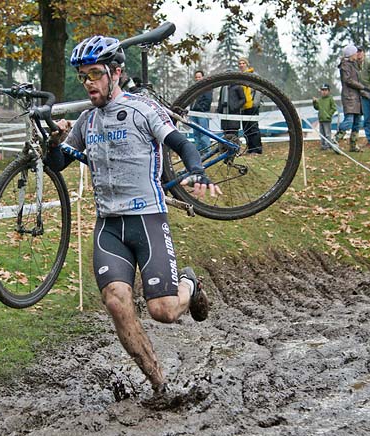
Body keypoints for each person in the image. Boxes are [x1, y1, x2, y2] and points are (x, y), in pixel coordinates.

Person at [46, 34, 220, 394]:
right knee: (116, 302)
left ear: (116, 73)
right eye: (84, 76)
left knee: (164, 311)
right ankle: (160, 385)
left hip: (147, 219)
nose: (89, 83)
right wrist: (54, 141)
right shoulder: (86, 121)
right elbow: (58, 163)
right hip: (109, 226)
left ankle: (191, 284)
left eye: (95, 74)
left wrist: (198, 170)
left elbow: (181, 143)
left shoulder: (142, 109)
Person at [334, 44, 370, 152]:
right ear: (350, 54)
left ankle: (353, 145)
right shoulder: (345, 65)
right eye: (355, 52)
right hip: (349, 97)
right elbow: (348, 80)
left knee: (357, 122)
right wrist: (362, 87)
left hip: (357, 97)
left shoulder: (354, 65)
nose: (357, 54)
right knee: (349, 121)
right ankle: (335, 139)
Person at [237, 58, 263, 154]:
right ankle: (250, 148)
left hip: (252, 105)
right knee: (246, 128)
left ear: (247, 64)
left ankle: (257, 148)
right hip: (243, 106)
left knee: (253, 127)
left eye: (243, 63)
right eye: (240, 63)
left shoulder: (253, 75)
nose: (241, 65)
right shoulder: (239, 77)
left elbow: (259, 90)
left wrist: (255, 102)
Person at [189, 70, 212, 149]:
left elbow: (208, 100)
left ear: (203, 77)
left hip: (202, 113)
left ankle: (207, 150)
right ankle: (199, 150)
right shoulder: (194, 88)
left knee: (204, 133)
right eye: (196, 77)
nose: (197, 79)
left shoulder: (207, 87)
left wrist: (201, 108)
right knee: (196, 133)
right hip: (193, 113)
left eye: (199, 77)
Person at [312, 84, 337, 150]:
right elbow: (317, 108)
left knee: (327, 133)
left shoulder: (330, 99)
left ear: (328, 91)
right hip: (321, 119)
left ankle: (328, 145)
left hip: (327, 119)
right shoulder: (320, 100)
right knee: (322, 133)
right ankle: (323, 145)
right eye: (322, 90)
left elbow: (334, 108)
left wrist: (329, 115)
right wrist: (314, 102)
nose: (324, 92)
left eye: (325, 90)